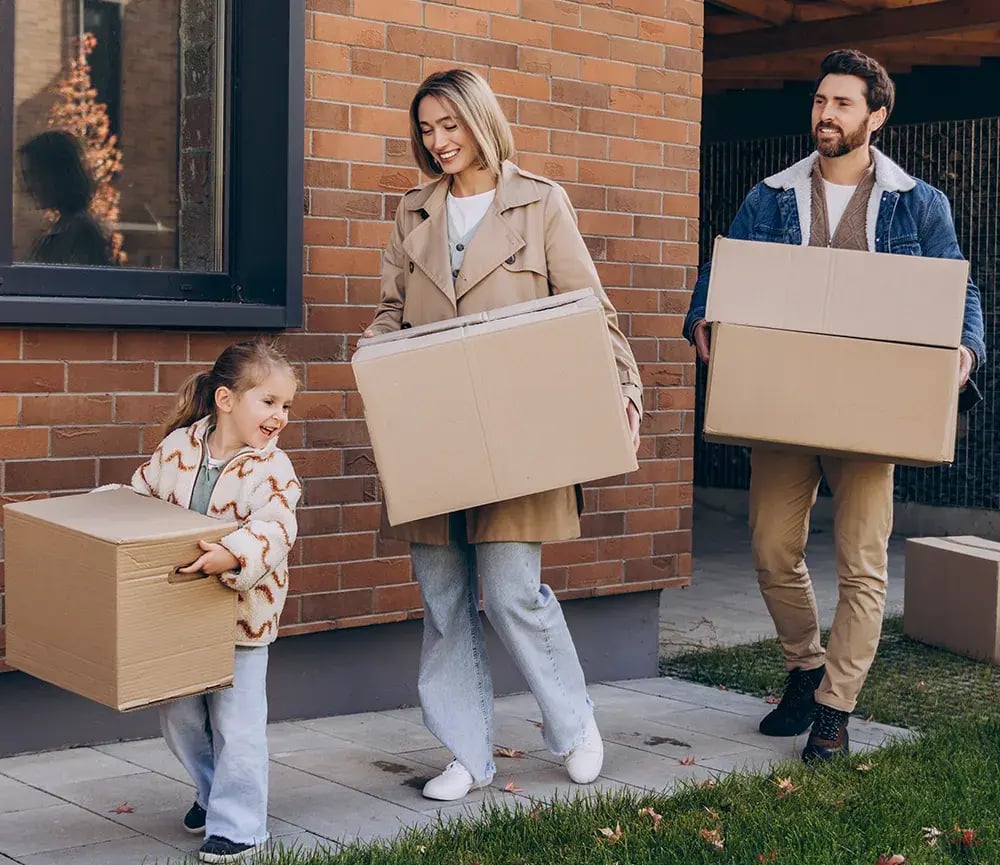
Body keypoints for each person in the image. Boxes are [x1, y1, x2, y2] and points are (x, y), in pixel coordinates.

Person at [684, 49, 985, 761]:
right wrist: (704, 313)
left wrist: (966, 352)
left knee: (862, 563)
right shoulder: (769, 196)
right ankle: (803, 663)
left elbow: (958, 289)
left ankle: (834, 707)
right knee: (771, 549)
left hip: (869, 408)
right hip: (784, 403)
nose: (825, 114)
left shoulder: (919, 203)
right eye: (820, 101)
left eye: (842, 104)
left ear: (876, 117)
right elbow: (724, 268)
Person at [362, 68, 644, 801]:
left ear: (480, 120)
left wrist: (624, 388)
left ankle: (574, 724)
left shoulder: (540, 204)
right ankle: (467, 753)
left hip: (521, 430)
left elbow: (589, 306)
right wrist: (374, 356)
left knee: (514, 590)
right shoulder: (412, 212)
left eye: (449, 125)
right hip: (433, 428)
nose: (438, 141)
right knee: (444, 595)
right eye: (426, 130)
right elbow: (392, 311)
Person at [130, 339, 301, 862]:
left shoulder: (273, 469)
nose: (280, 417)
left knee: (237, 724)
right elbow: (139, 499)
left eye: (287, 406)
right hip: (180, 615)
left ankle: (241, 826)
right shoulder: (178, 449)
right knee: (179, 716)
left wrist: (234, 555)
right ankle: (212, 793)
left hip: (242, 620)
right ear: (226, 399)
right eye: (268, 402)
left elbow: (277, 528)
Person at [18, 130, 115, 266]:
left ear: (56, 174)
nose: (27, 187)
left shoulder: (80, 234)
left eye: (32, 175)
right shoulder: (62, 231)